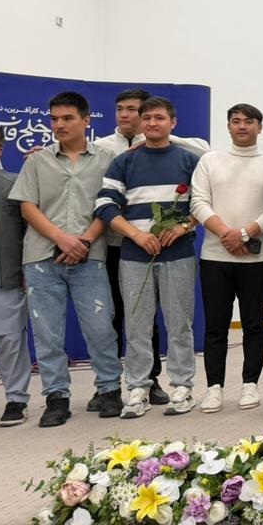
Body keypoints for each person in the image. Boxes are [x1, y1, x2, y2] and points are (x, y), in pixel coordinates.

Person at [9, 92, 124, 425]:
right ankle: (56, 398)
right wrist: (61, 238)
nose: (59, 124)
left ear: (86, 120)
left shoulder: (107, 160)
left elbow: (111, 204)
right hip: (41, 258)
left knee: (101, 327)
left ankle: (109, 389)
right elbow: (27, 206)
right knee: (47, 333)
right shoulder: (37, 160)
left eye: (67, 118)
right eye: (54, 119)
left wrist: (83, 240)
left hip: (90, 255)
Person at [94, 88, 209, 409]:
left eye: (159, 118)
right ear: (140, 122)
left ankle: (182, 386)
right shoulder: (123, 162)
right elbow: (105, 205)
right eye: (147, 118)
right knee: (137, 326)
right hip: (134, 256)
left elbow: (203, 203)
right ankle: (138, 388)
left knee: (179, 324)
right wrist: (135, 235)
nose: (152, 123)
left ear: (173, 123)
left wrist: (183, 227)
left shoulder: (189, 160)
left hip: (178, 255)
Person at [189, 103, 263, 413]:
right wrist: (228, 234)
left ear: (259, 127)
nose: (242, 126)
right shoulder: (210, 161)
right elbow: (198, 202)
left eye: (248, 121)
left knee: (254, 323)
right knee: (216, 325)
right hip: (215, 257)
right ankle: (214, 387)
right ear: (228, 126)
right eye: (236, 121)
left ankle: (250, 384)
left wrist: (245, 234)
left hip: (256, 258)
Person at [0, 123, 32, 427]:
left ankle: (16, 399)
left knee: (10, 338)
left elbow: (29, 230)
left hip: (2, 274)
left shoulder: (13, 185)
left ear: (0, 149)